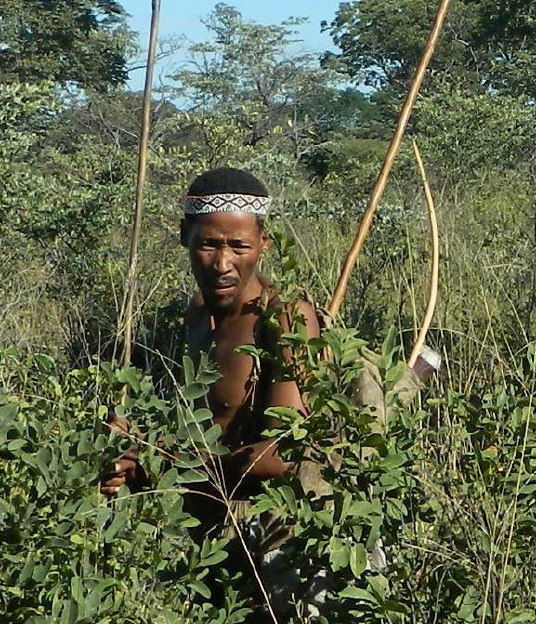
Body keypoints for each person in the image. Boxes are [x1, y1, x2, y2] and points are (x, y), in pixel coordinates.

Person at [100, 165, 441, 617]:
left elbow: (282, 455)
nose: (223, 264)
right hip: (213, 528)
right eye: (208, 244)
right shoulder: (194, 315)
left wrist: (165, 467)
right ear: (184, 235)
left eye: (239, 246)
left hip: (284, 533)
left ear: (264, 243)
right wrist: (130, 450)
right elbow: (196, 420)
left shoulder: (285, 318)